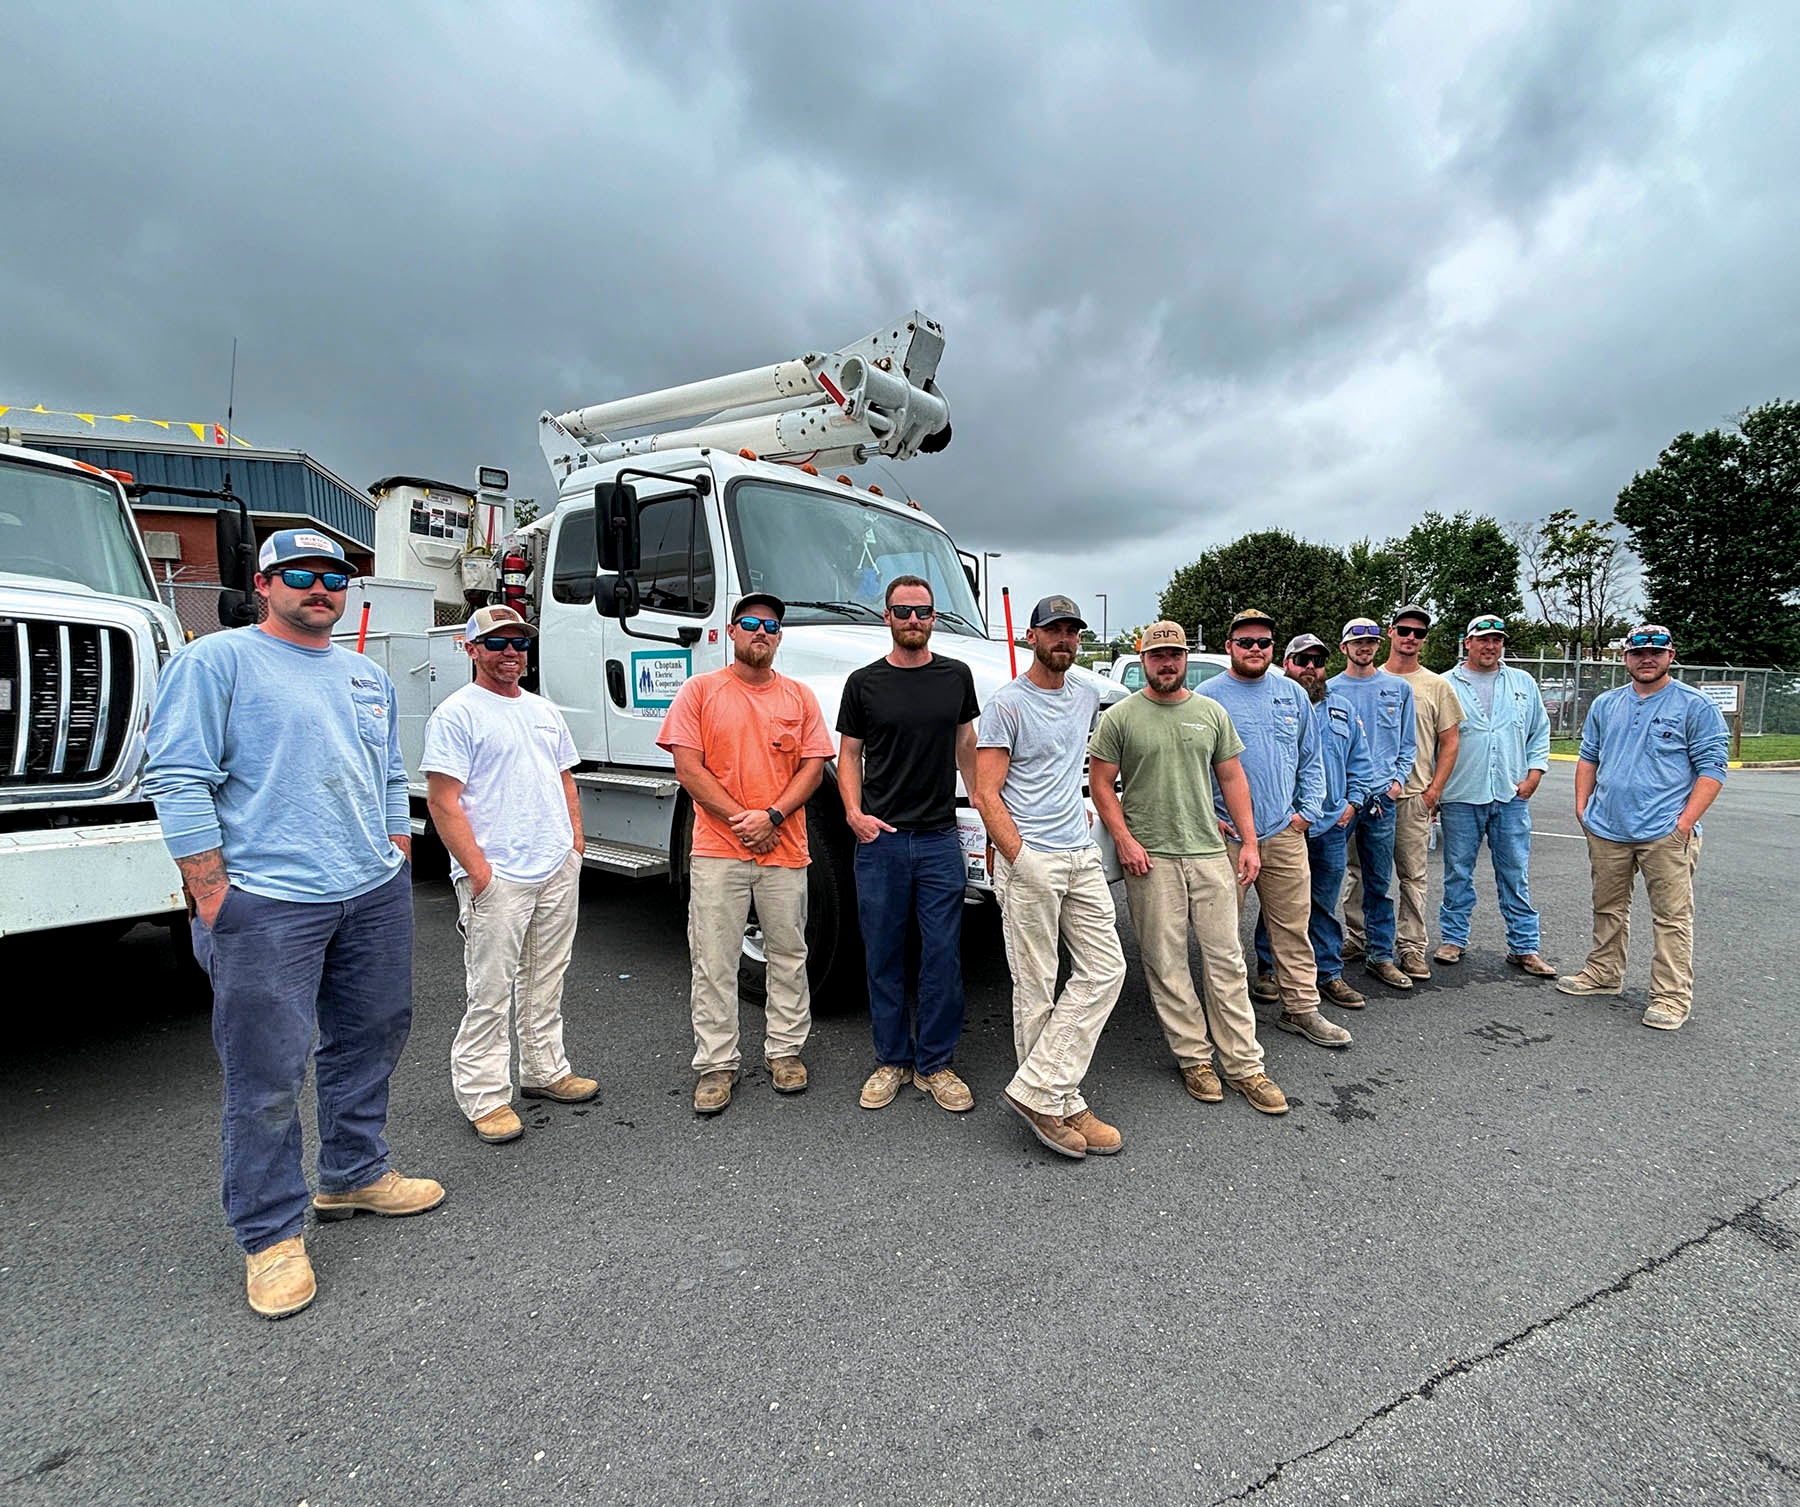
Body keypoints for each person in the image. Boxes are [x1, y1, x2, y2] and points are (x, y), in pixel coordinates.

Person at [143, 528, 443, 1321]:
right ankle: (270, 1233)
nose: (322, 587)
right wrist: (211, 893)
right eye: (302, 574)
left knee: (374, 1032)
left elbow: (385, 770)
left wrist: (396, 847)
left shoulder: (365, 674)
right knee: (268, 1071)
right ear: (264, 581)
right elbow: (176, 776)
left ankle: (352, 1172)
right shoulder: (218, 662)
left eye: (336, 575)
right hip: (267, 902)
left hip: (369, 892)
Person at [1089, 622, 1288, 1114]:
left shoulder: (1210, 712)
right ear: (1143, 660)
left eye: (1174, 655)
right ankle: (1194, 1058)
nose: (1167, 664)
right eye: (1157, 656)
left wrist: (1248, 842)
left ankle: (1245, 1066)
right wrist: (1125, 841)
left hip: (1207, 852)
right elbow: (1101, 785)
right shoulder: (1122, 717)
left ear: (1185, 657)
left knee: (1226, 960)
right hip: (1150, 858)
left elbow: (1233, 777)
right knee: (1167, 961)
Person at [422, 604, 597, 1146]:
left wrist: (574, 844)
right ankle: (484, 1096)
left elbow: (565, 781)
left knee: (546, 976)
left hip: (553, 865)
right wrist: (478, 872)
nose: (510, 653)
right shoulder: (457, 714)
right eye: (496, 643)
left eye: (518, 643)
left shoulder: (544, 710)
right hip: (498, 875)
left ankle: (545, 1071)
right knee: (491, 989)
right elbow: (443, 799)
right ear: (471, 649)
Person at [658, 593, 835, 1115]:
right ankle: (716, 1064)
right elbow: (689, 769)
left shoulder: (800, 697)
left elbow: (812, 768)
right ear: (732, 632)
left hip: (785, 848)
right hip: (717, 851)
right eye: (752, 623)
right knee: (713, 959)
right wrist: (744, 819)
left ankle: (785, 1053)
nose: (762, 632)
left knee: (789, 954)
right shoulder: (700, 692)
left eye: (771, 626)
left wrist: (773, 817)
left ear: (779, 639)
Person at [974, 595, 1128, 1158]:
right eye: (1053, 630)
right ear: (1031, 637)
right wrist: (1018, 855)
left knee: (1106, 969)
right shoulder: (1007, 704)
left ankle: (1041, 1089)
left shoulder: (1086, 696)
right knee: (1036, 984)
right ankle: (1060, 1102)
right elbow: (986, 791)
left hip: (1078, 853)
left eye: (1072, 631)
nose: (1064, 639)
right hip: (1031, 857)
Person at [837, 575, 981, 1113]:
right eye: (903, 612)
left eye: (922, 612)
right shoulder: (863, 683)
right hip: (883, 842)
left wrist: (983, 808)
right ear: (887, 618)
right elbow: (848, 754)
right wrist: (853, 813)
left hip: (941, 837)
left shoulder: (956, 677)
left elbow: (966, 744)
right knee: (884, 953)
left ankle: (936, 1065)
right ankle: (892, 1060)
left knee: (942, 955)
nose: (913, 621)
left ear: (934, 617)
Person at [1557, 624, 1729, 1030]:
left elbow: (1712, 769)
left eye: (1655, 652)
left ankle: (1670, 997)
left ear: (1671, 656)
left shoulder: (1694, 705)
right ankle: (1603, 973)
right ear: (1625, 658)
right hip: (1608, 828)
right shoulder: (1607, 704)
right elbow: (1589, 756)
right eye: (1638, 652)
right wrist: (1583, 808)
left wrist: (1684, 824)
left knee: (1671, 917)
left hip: (1664, 833)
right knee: (1608, 908)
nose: (1646, 659)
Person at [1199, 610, 1353, 1048]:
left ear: (1273, 648)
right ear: (1229, 646)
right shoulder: (1207, 697)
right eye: (1245, 642)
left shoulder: (1292, 694)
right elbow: (1190, 768)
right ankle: (1226, 1019)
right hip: (1225, 836)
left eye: (1263, 643)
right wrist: (1208, 817)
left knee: (1292, 925)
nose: (1255, 650)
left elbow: (1312, 759)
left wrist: (1305, 813)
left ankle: (1301, 1008)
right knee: (1221, 931)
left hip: (1283, 832)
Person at [1252, 633, 1376, 1012]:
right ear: (1286, 664)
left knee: (1321, 904)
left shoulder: (1342, 711)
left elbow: (1361, 763)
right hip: (1281, 825)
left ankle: (1328, 973)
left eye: (1317, 661)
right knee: (1277, 905)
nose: (1310, 668)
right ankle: (1269, 969)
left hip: (1329, 826)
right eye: (1301, 660)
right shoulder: (1269, 704)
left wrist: (1351, 806)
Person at [1344, 604, 1462, 979]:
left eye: (1420, 632)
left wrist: (1433, 792)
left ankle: (1411, 946)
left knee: (1412, 875)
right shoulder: (1355, 681)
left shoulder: (1435, 685)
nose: (1412, 637)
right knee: (1359, 872)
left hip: (1411, 796)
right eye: (1405, 630)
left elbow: (1449, 741)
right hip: (1360, 798)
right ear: (1391, 633)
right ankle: (1358, 936)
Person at [1435, 614, 1554, 974]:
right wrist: (1434, 789)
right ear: (1467, 643)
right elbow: (1432, 741)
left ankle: (1524, 946)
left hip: (1510, 794)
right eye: (1483, 639)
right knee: (1457, 871)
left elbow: (1539, 732)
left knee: (1514, 872)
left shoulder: (1522, 683)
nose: (1490, 646)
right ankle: (1453, 939)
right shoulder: (1446, 685)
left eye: (1497, 640)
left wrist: (1534, 776)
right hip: (1461, 794)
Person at [1327, 618, 1416, 993]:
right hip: (1340, 802)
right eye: (1357, 642)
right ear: (1344, 647)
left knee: (1378, 880)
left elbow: (1408, 743)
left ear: (1379, 646)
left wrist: (1396, 784)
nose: (1365, 648)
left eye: (1371, 642)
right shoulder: (1329, 690)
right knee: (1328, 882)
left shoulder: (1397, 689)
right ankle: (1328, 957)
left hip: (1381, 800)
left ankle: (1381, 955)